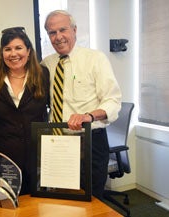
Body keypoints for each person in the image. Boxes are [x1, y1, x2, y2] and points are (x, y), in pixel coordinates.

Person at [41, 10, 122, 200]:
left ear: (74, 30)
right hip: (59, 143)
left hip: (90, 141)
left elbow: (113, 100)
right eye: (52, 33)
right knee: (62, 199)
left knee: (92, 200)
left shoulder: (95, 59)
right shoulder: (46, 64)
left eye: (63, 30)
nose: (58, 37)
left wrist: (89, 116)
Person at [0, 27, 50, 195]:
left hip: (38, 155)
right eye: (8, 49)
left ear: (28, 50)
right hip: (6, 157)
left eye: (18, 48)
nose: (13, 54)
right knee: (12, 206)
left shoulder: (42, 75)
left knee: (40, 204)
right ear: (2, 53)